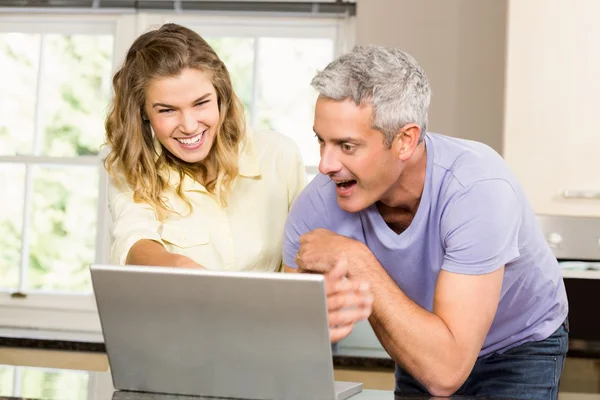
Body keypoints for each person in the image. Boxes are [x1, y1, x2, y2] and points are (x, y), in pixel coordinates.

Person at [282, 45, 569, 399]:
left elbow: (445, 374)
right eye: (321, 141)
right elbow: (288, 340)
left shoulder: (478, 189)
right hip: (425, 341)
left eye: (346, 146)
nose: (325, 165)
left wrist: (356, 261)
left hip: (517, 344)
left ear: (405, 141)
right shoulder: (317, 206)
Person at [104, 23, 306, 272]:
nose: (189, 126)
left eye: (201, 103)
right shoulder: (132, 168)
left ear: (221, 96)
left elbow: (303, 257)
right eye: (167, 110)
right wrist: (178, 267)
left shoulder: (279, 156)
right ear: (143, 114)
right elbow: (133, 240)